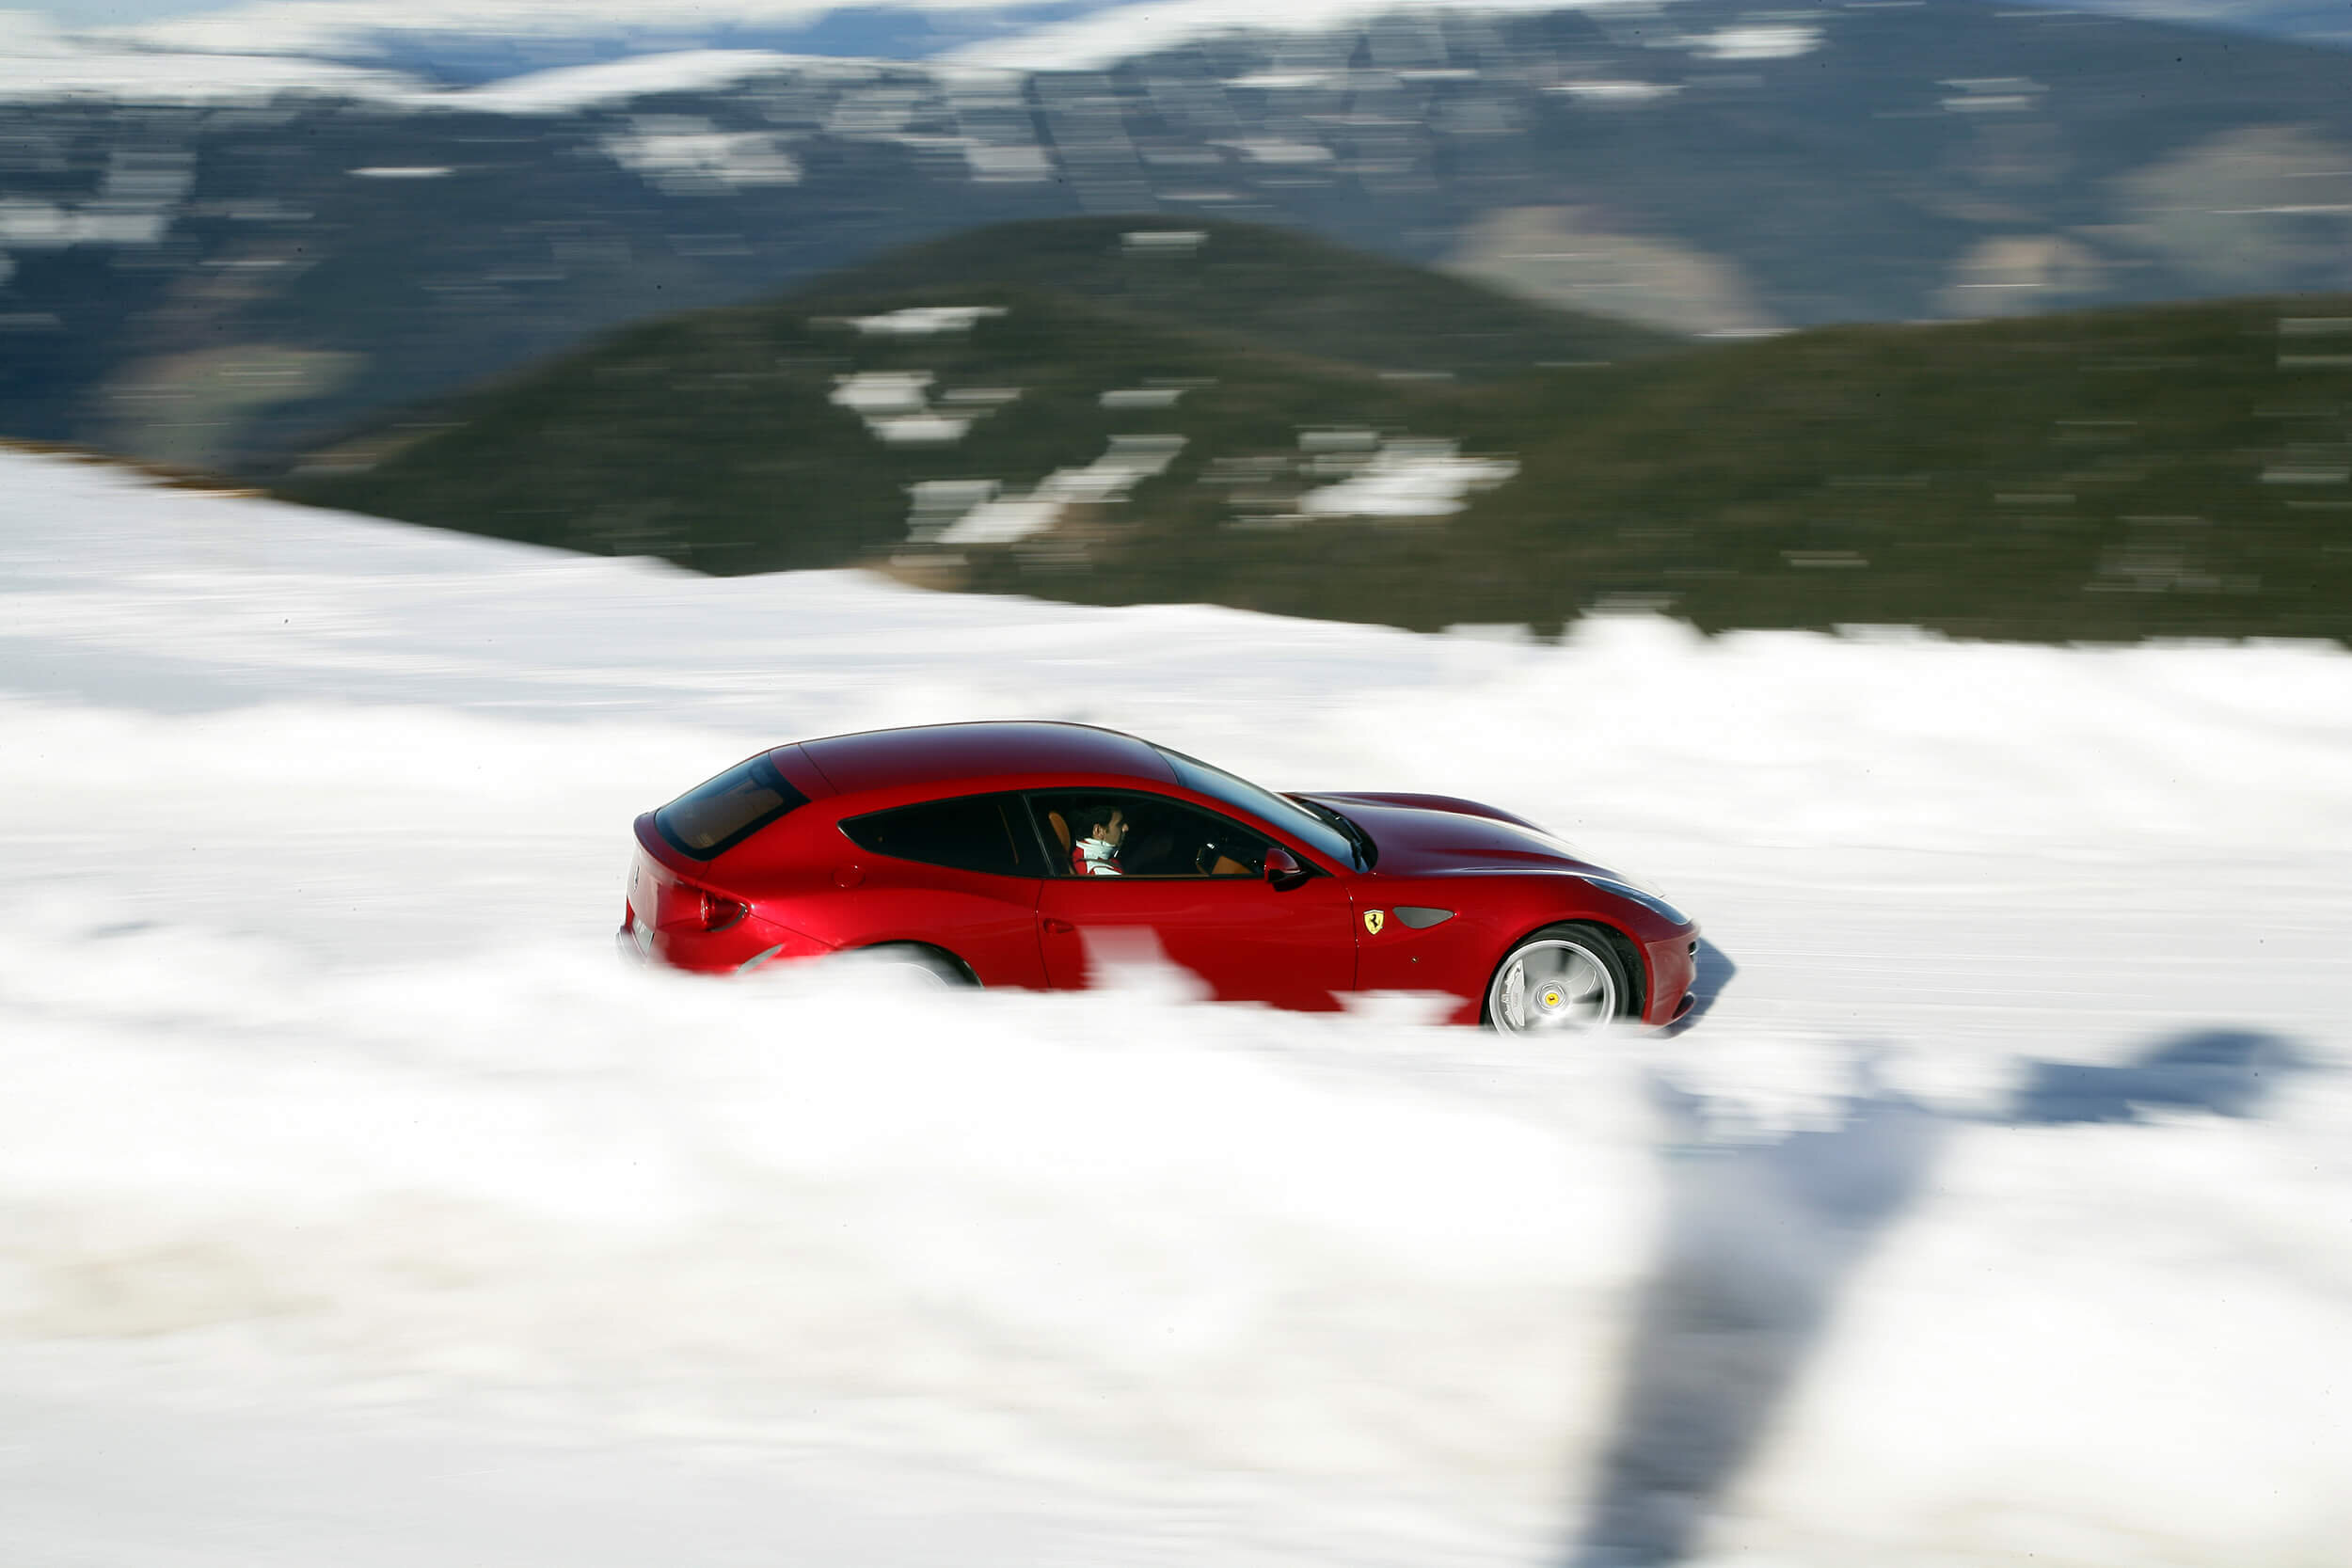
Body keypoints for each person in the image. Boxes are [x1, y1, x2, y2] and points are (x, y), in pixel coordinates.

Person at [1072, 802, 1128, 876]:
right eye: (1120, 824)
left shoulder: (1079, 852)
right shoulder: (1100, 872)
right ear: (1099, 831)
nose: (1126, 828)